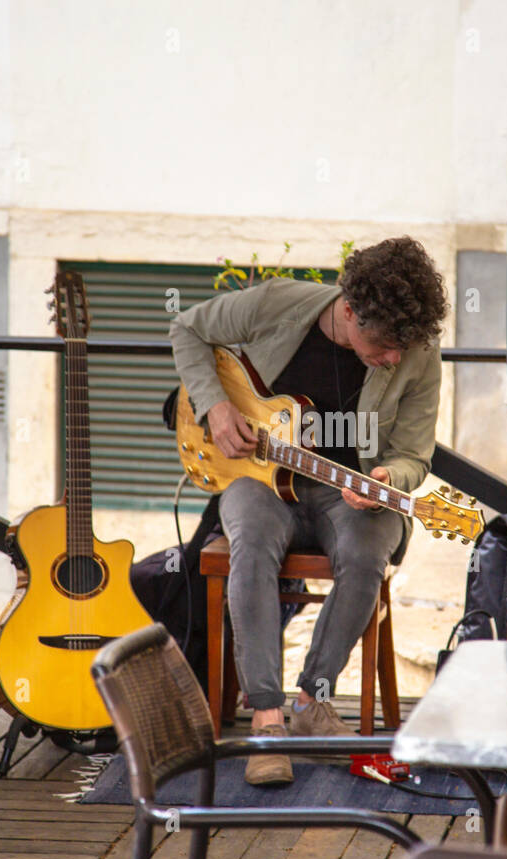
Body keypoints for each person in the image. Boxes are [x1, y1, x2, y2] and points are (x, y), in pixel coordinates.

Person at [170, 236, 447, 785]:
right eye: (384, 341)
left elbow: (414, 454)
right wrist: (216, 406)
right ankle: (267, 721)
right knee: (250, 543)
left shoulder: (418, 351)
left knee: (371, 549)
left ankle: (311, 702)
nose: (394, 356)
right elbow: (187, 328)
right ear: (348, 310)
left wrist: (388, 478)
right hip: (258, 476)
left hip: (346, 491)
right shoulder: (279, 303)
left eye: (403, 345)